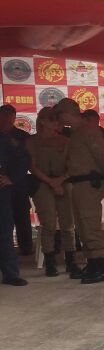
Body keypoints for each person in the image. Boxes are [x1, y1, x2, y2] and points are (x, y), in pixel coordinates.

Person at [54, 98, 104, 284]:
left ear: (67, 113)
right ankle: (92, 262)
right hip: (78, 184)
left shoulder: (89, 131)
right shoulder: (77, 133)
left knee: (90, 223)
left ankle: (99, 266)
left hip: (88, 183)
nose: (60, 120)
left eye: (60, 115)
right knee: (82, 225)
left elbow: (101, 157)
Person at [27, 107, 76, 277]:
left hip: (63, 182)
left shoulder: (64, 140)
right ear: (42, 121)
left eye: (57, 119)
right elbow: (32, 167)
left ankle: (71, 260)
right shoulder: (32, 141)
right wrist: (51, 182)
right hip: (42, 183)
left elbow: (72, 165)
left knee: (68, 224)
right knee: (48, 223)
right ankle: (50, 262)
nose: (56, 122)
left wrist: (60, 180)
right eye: (51, 119)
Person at [0, 103, 33, 256]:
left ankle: (26, 249)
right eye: (3, 115)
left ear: (14, 117)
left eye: (9, 116)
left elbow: (26, 161)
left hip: (18, 183)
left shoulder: (22, 136)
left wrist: (12, 178)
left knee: (22, 216)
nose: (6, 119)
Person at [0, 131, 28, 286]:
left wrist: (12, 178)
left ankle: (10, 274)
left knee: (4, 232)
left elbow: (24, 158)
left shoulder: (5, 139)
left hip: (1, 190)